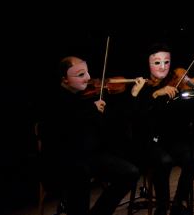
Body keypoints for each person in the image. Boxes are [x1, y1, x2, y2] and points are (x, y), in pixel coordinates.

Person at [40, 56, 140, 215]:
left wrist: (131, 95)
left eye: (87, 72)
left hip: (89, 155)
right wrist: (91, 111)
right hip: (64, 160)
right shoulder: (53, 100)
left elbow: (108, 124)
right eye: (81, 74)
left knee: (130, 172)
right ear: (65, 79)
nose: (88, 78)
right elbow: (60, 131)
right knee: (79, 174)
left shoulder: (85, 97)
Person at [129, 44, 194, 215]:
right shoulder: (140, 87)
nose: (163, 67)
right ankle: (162, 207)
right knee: (164, 161)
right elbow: (137, 121)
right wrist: (156, 94)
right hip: (147, 142)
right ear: (148, 64)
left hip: (169, 140)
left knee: (193, 157)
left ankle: (177, 203)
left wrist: (193, 91)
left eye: (166, 62)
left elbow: (191, 102)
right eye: (157, 62)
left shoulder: (174, 83)